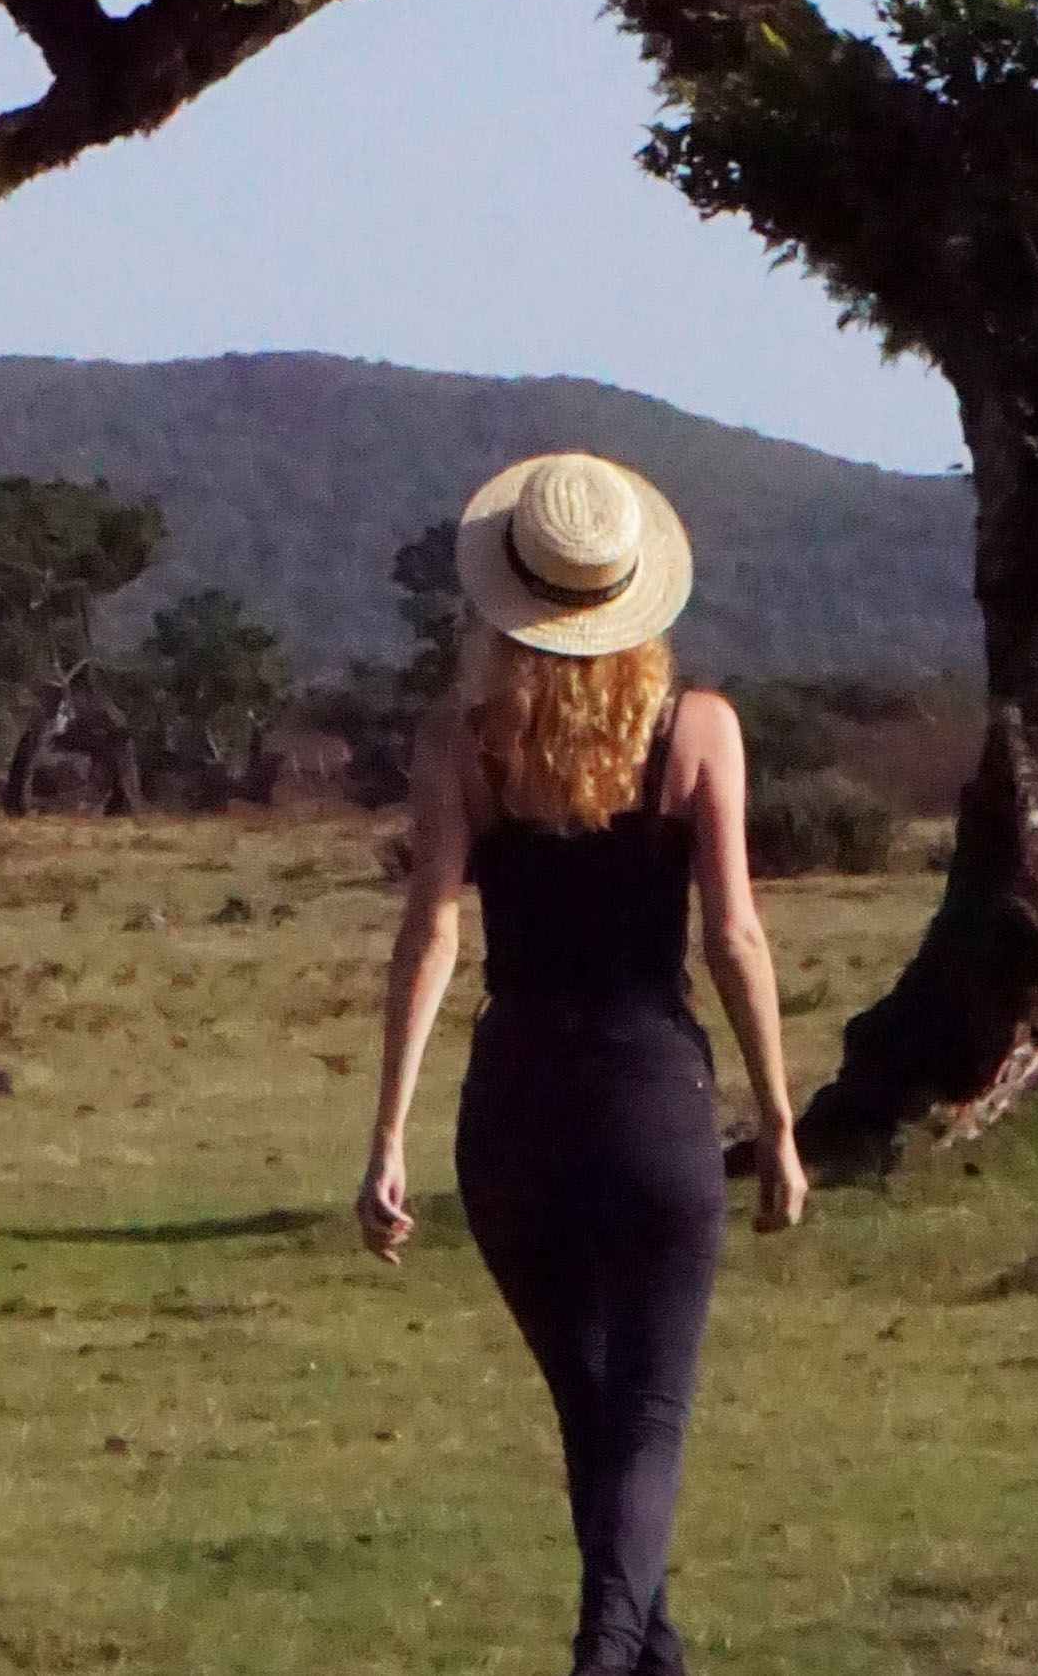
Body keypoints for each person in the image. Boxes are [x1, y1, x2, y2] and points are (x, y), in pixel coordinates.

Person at [357, 449, 806, 1676]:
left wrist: (387, 1132)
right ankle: (605, 1654)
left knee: (595, 1413)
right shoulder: (697, 728)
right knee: (645, 1416)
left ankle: (635, 1655)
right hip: (651, 1098)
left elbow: (432, 929)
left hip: (511, 1109)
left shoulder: (461, 739)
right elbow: (733, 934)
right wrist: (776, 1116)